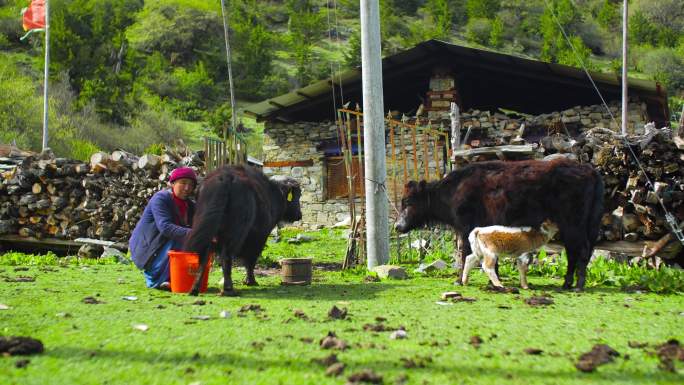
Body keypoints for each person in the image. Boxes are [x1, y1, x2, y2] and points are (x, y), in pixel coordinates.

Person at [129, 167, 197, 290]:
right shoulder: (161, 199)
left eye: (191, 185)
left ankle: (174, 278)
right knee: (181, 237)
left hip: (164, 245)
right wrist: (197, 233)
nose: (187, 188)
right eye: (183, 183)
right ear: (173, 183)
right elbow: (165, 227)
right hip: (149, 248)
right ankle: (157, 278)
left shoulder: (190, 206)